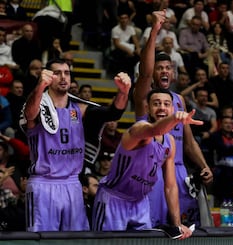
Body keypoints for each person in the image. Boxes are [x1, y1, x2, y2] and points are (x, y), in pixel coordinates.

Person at [21, 58, 131, 231]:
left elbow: (113, 113)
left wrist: (124, 92)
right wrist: (40, 87)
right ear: (48, 77)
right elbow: (29, 115)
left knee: (77, 239)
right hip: (44, 183)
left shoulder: (80, 109)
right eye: (57, 73)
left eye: (67, 73)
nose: (63, 77)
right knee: (40, 240)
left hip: (72, 184)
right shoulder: (38, 105)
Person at [133, 10, 213, 228]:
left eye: (168, 67)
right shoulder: (144, 98)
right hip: (152, 171)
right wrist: (154, 32)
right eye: (160, 68)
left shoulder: (179, 100)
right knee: (153, 229)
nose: (164, 71)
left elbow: (188, 142)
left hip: (178, 170)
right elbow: (145, 74)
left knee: (184, 228)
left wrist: (204, 165)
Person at [92, 88, 194, 239]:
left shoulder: (170, 142)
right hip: (114, 200)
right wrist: (174, 119)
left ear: (172, 108)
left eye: (167, 104)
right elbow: (154, 129)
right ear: (147, 108)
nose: (162, 108)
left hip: (140, 202)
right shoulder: (139, 129)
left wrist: (177, 224)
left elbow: (170, 186)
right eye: (156, 103)